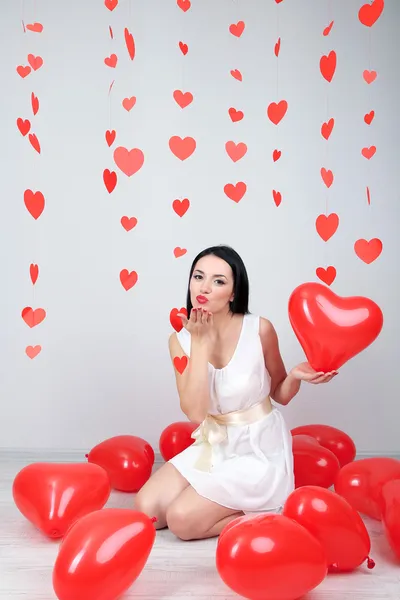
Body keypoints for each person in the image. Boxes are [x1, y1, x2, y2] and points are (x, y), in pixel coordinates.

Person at [134, 245, 337, 541]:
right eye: (198, 277)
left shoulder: (259, 329)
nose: (203, 287)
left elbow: (280, 394)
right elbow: (194, 413)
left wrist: (295, 375)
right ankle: (216, 498)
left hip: (257, 448)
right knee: (147, 511)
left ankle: (265, 513)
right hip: (214, 445)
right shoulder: (179, 341)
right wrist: (199, 344)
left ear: (233, 292)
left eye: (218, 281)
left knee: (181, 521)